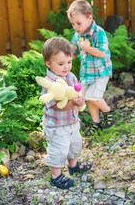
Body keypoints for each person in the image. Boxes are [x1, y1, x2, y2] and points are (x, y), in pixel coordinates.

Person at [40, 37, 93, 189]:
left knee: (74, 145)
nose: (66, 67)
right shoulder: (50, 83)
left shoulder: (70, 76)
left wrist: (80, 99)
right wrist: (72, 104)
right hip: (57, 126)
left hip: (72, 122)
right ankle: (55, 176)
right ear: (48, 63)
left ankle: (74, 166)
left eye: (69, 62)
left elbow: (75, 92)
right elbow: (55, 106)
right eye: (61, 64)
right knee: (59, 150)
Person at [67, 0, 114, 136]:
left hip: (100, 72)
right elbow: (74, 52)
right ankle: (96, 123)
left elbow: (101, 52)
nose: (76, 27)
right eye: (72, 24)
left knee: (93, 96)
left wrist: (86, 48)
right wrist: (65, 58)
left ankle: (107, 112)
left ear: (89, 18)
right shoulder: (77, 35)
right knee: (87, 98)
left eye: (78, 23)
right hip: (86, 74)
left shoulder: (99, 33)